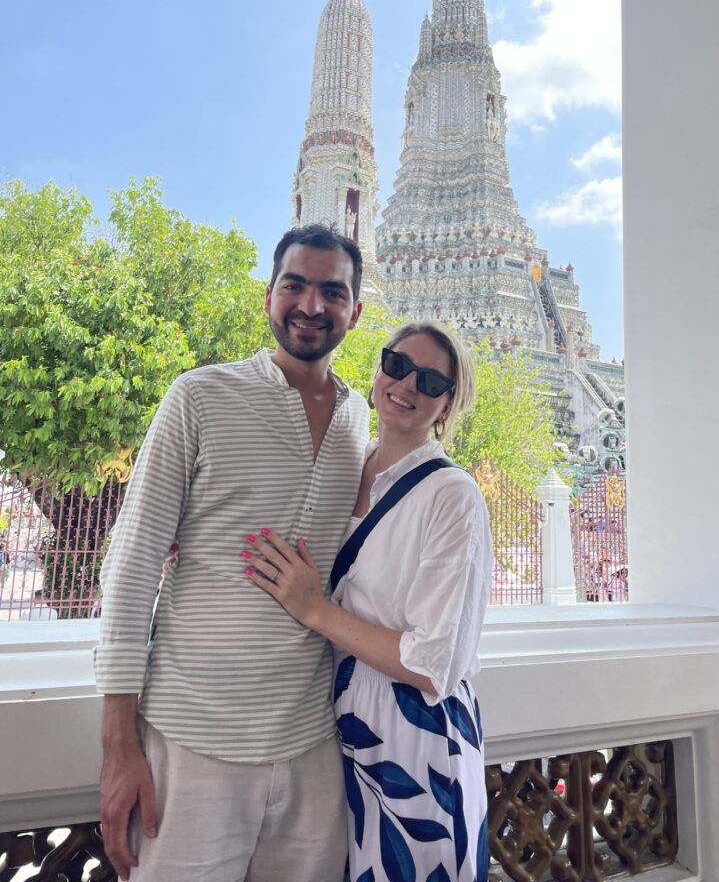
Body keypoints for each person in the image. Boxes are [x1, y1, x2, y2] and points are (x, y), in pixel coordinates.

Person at [94, 224, 369, 882]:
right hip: (192, 741)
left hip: (311, 741)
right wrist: (118, 745)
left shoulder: (360, 422)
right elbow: (132, 565)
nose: (311, 304)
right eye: (295, 285)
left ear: (354, 313)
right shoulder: (199, 396)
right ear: (267, 295)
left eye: (333, 292)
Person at [242, 322, 492, 882]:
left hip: (414, 740)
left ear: (447, 404)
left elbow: (433, 663)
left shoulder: (454, 496)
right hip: (333, 732)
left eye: (429, 381)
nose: (406, 385)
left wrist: (315, 610)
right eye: (397, 364)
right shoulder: (347, 464)